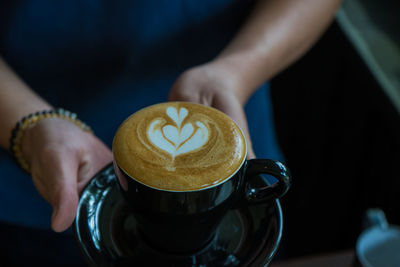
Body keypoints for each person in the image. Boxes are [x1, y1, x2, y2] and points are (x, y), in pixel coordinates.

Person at [0, 0, 342, 265]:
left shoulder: (255, 222)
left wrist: (239, 69)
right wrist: (29, 123)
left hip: (227, 118)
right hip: (35, 180)